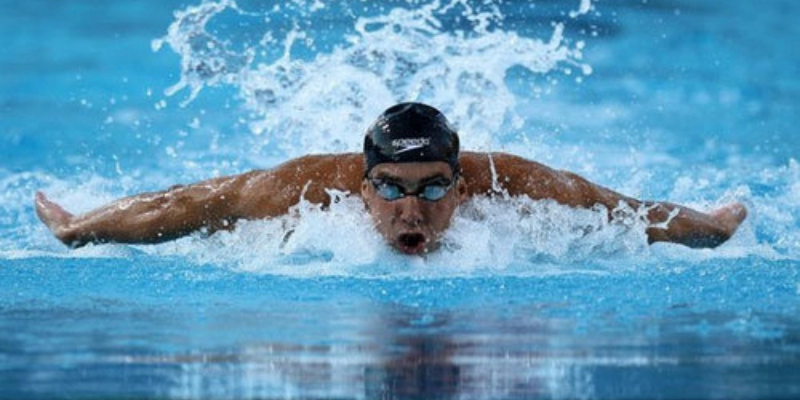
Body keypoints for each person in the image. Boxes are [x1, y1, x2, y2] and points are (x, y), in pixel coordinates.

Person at [35, 102, 747, 255]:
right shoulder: (305, 188)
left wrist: (710, 228)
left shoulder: (513, 184)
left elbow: (617, 210)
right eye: (392, 189)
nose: (413, 210)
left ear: (460, 188)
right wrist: (80, 228)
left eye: (434, 188)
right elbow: (191, 204)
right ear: (363, 187)